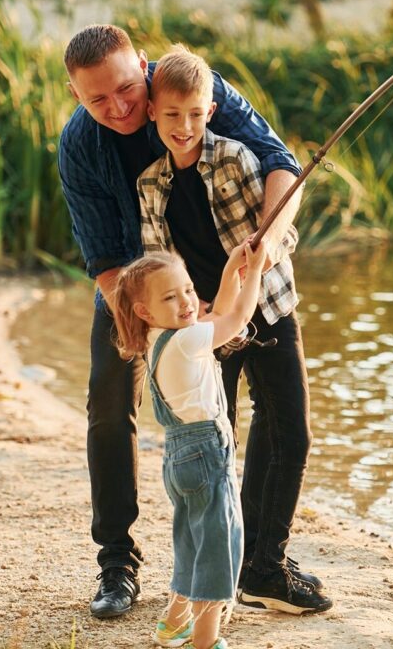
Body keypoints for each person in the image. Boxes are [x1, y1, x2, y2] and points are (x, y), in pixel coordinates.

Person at [59, 24, 303, 618]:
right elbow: (105, 263)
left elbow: (281, 163)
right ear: (76, 98)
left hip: (224, 282)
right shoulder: (79, 147)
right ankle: (117, 562)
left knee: (227, 426)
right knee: (109, 405)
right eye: (97, 100)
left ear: (142, 67)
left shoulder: (191, 90)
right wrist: (161, 328)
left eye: (125, 90)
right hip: (131, 287)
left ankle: (256, 563)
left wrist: (265, 244)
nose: (118, 109)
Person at [138, 45, 332, 614]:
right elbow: (155, 261)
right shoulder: (150, 186)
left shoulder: (236, 159)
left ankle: (265, 564)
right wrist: (187, 311)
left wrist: (266, 251)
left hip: (268, 308)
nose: (185, 126)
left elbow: (284, 236)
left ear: (211, 110)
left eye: (196, 114)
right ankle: (226, 564)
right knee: (218, 449)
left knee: (290, 433)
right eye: (172, 115)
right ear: (153, 113)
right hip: (203, 330)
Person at [109, 245, 266, 649]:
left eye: (189, 289)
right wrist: (256, 275)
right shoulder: (186, 341)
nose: (186, 302)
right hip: (206, 455)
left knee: (193, 542)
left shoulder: (162, 340)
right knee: (217, 545)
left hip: (181, 458)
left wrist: (232, 270)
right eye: (170, 297)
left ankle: (175, 623)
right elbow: (238, 318)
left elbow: (214, 316)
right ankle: (205, 641)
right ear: (145, 311)